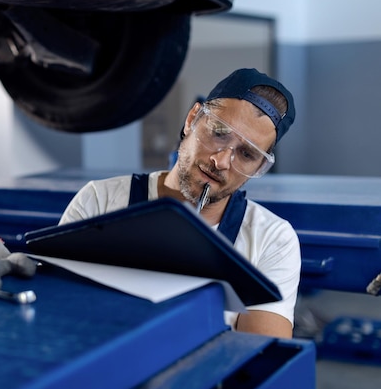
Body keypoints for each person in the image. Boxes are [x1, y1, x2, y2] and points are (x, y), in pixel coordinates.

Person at [59, 68, 300, 339]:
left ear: (258, 167)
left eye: (246, 154)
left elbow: (261, 358)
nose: (221, 161)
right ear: (192, 118)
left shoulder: (271, 240)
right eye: (219, 132)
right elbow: (59, 313)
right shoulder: (100, 202)